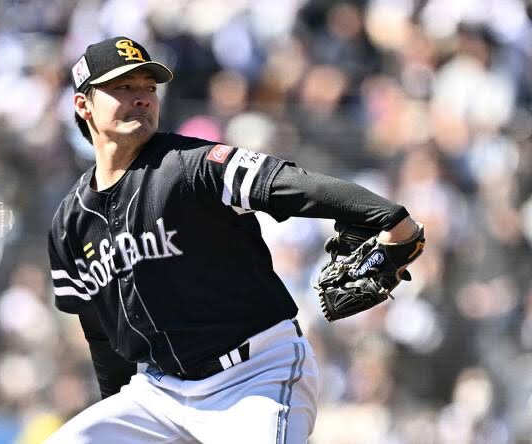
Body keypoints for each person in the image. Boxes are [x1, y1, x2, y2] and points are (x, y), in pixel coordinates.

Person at [45, 36, 422, 443]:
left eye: (148, 87)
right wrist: (116, 413)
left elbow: (290, 185)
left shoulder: (190, 165)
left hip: (255, 377)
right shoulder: (69, 223)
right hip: (159, 393)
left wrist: (391, 217)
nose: (141, 97)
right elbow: (102, 335)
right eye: (123, 87)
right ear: (83, 105)